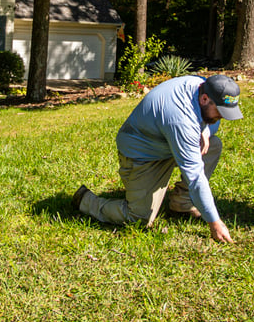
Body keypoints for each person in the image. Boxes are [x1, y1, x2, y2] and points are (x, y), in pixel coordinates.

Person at [71, 74, 243, 244]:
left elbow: (211, 121)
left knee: (213, 144)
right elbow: (195, 177)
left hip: (165, 144)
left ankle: (182, 204)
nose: (220, 118)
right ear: (204, 99)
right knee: (138, 218)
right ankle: (86, 201)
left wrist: (204, 130)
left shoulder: (201, 85)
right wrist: (214, 222)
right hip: (142, 156)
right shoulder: (180, 118)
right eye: (220, 112)